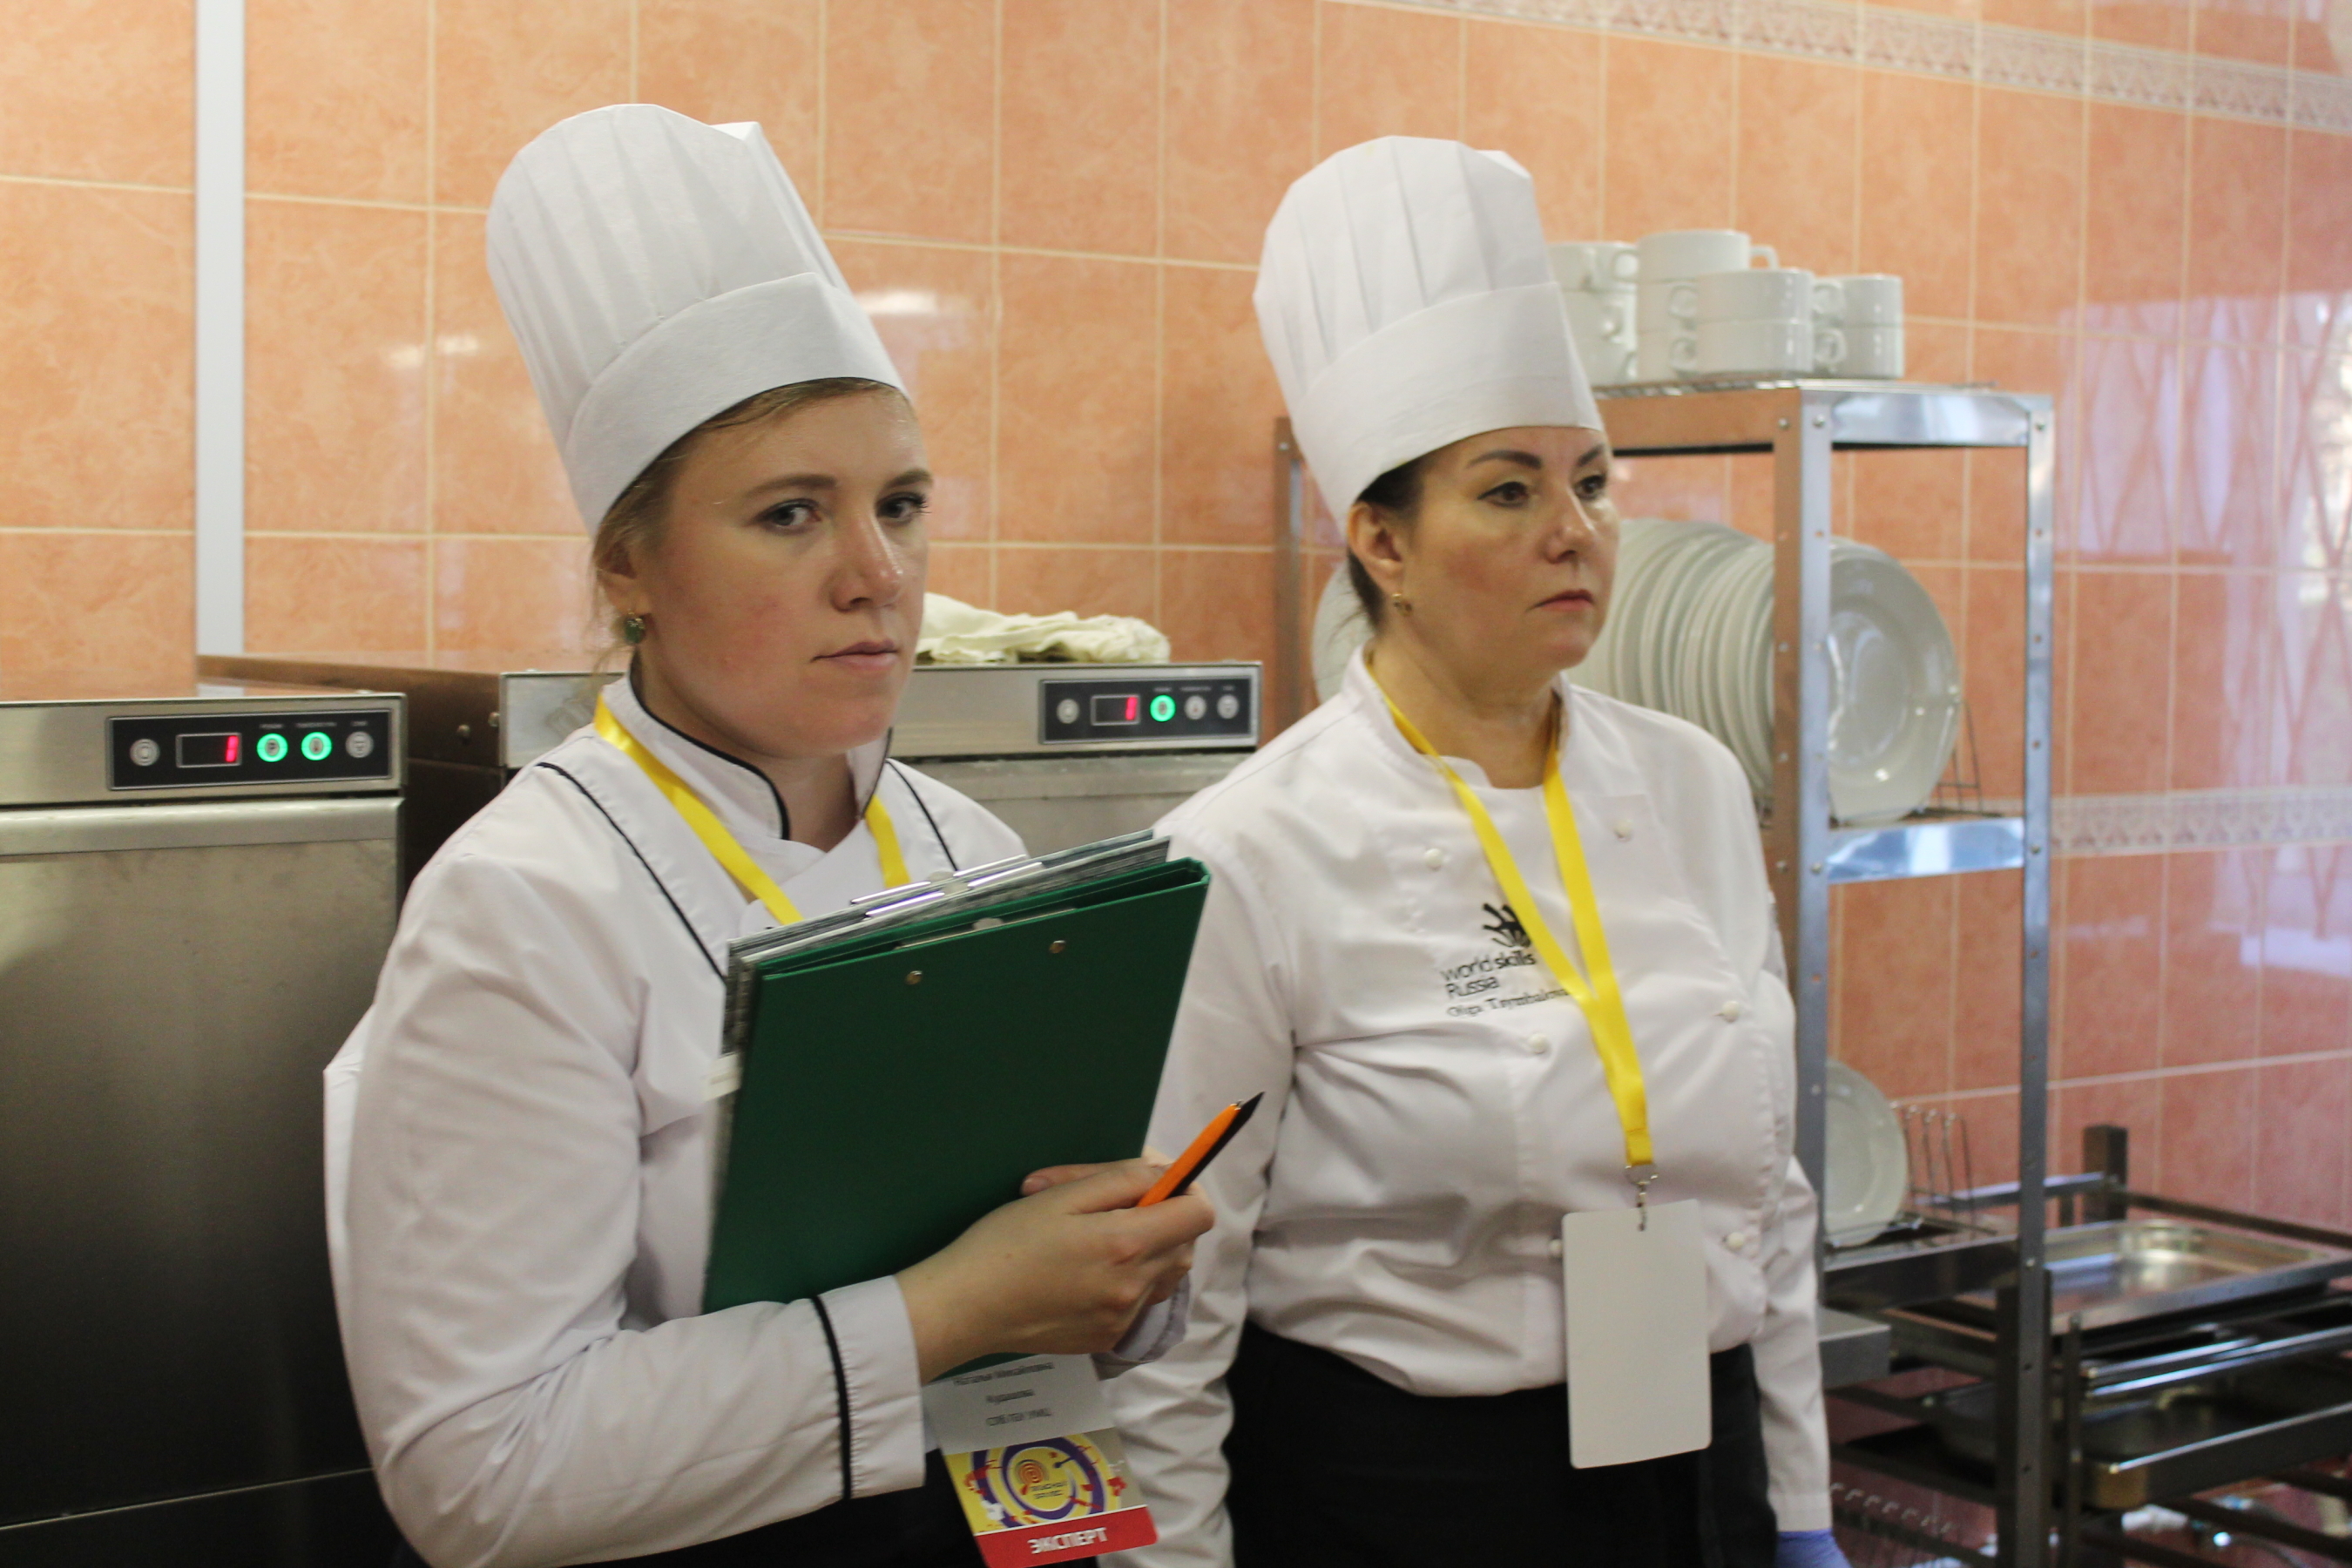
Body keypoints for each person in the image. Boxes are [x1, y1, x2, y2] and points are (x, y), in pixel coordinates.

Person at [326, 105, 1211, 1568]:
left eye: (901, 506)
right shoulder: (525, 904)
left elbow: (1076, 1319)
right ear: (629, 563)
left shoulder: (971, 847)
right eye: (792, 514)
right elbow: (481, 1476)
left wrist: (1122, 1271)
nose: (878, 575)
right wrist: (950, 1310)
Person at [1103, 138, 1845, 1568]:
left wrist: (1804, 1507)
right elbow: (1169, 1302)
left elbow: (1773, 1199)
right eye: (1509, 492)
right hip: (1406, 1497)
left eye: (1594, 484)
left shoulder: (1692, 784)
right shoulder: (1249, 852)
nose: (1576, 533)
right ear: (1382, 543)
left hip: (1696, 1467)